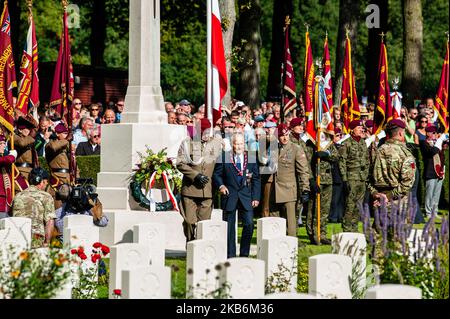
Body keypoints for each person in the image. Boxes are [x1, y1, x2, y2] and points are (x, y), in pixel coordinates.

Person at [213, 133, 261, 258]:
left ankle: (244, 254)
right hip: (230, 195)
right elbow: (216, 175)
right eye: (236, 143)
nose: (238, 146)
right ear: (232, 144)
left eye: (241, 144)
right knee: (229, 228)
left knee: (249, 224)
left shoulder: (250, 157)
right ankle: (230, 255)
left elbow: (256, 179)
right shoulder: (224, 157)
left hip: (246, 196)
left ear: (244, 145)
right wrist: (221, 186)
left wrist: (255, 197)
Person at [176, 118, 223, 242]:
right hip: (190, 190)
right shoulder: (187, 143)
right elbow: (180, 163)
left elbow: (220, 166)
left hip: (207, 190)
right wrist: (195, 175)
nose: (207, 135)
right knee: (189, 222)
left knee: (204, 224)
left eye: (209, 132)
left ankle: (200, 248)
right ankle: (190, 242)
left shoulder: (216, 144)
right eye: (205, 132)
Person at [270, 124, 310, 237]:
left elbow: (303, 171)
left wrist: (305, 188)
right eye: (282, 135)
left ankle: (291, 247)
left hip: (288, 190)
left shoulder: (295, 148)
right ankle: (276, 246)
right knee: (275, 222)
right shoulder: (273, 148)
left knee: (290, 222)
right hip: (274, 190)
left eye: (286, 135)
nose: (285, 138)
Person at [370, 119, 417, 214]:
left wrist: (375, 194)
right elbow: (407, 183)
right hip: (398, 202)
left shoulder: (376, 151)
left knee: (380, 228)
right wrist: (388, 196)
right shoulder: (405, 154)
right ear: (400, 133)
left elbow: (367, 177)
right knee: (399, 228)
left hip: (379, 199)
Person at [11, 168, 56, 247]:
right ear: (42, 181)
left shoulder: (17, 196)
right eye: (46, 182)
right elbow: (50, 221)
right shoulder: (46, 197)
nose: (46, 185)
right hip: (37, 238)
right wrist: (47, 242)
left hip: (18, 238)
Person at [338, 120, 369, 232]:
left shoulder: (363, 142)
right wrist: (344, 179)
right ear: (352, 129)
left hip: (362, 177)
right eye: (359, 127)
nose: (361, 129)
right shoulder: (346, 143)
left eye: (362, 127)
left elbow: (367, 160)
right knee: (350, 204)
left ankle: (354, 228)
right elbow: (342, 162)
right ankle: (347, 228)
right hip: (351, 176)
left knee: (358, 205)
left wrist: (366, 175)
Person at [419, 126, 449, 218]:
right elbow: (432, 152)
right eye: (433, 133)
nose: (435, 135)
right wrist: (440, 141)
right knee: (429, 194)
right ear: (428, 133)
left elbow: (442, 157)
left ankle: (434, 212)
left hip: (439, 172)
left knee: (436, 195)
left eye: (436, 133)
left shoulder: (438, 143)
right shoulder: (424, 143)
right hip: (430, 172)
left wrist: (442, 170)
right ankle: (428, 212)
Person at [14, 115, 39, 184]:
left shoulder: (29, 139)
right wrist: (31, 136)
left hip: (31, 171)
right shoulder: (15, 137)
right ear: (20, 129)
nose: (30, 131)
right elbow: (22, 143)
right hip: (21, 171)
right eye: (28, 129)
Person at [0, 135, 17, 219]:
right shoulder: (3, 160)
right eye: (1, 143)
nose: (4, 145)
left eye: (4, 143)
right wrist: (12, 156)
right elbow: (7, 160)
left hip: (5, 200)